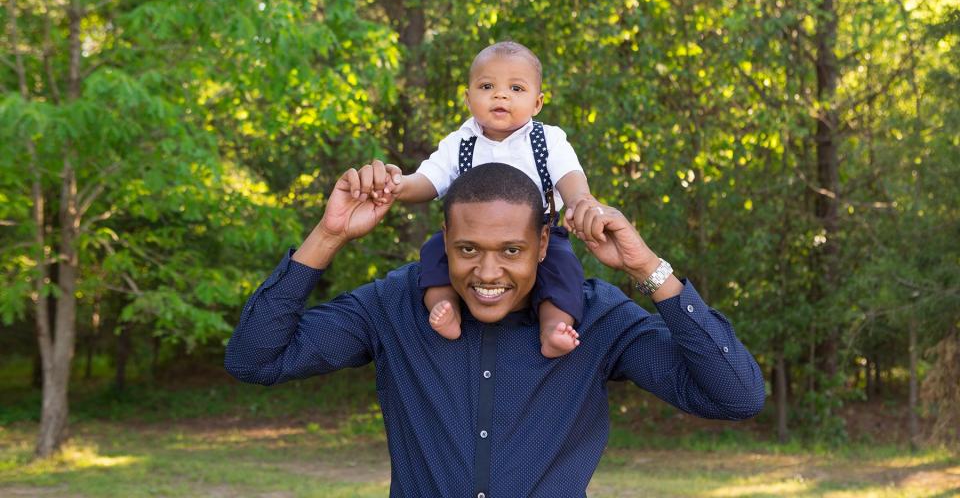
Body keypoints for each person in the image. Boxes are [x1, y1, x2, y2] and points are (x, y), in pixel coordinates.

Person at [225, 161, 765, 498]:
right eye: (467, 250)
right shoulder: (394, 306)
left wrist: (648, 268)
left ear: (545, 242)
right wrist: (329, 234)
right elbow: (256, 360)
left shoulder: (597, 320)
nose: (487, 273)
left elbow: (736, 395)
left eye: (511, 250)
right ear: (444, 236)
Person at [384, 41, 599, 357]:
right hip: (471, 237)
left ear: (537, 103)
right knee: (434, 253)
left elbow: (569, 175)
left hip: (536, 234)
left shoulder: (547, 139)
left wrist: (581, 200)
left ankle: (553, 327)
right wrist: (399, 185)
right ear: (469, 99)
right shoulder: (460, 143)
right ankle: (445, 307)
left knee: (562, 267)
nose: (501, 95)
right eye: (487, 86)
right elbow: (430, 178)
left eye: (516, 88)